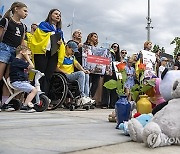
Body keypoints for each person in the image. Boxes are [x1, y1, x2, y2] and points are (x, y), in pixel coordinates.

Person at [0, 2, 28, 110]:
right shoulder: (6, 21)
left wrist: (24, 54)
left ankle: (4, 103)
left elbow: (22, 42)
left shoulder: (23, 27)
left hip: (15, 52)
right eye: (25, 11)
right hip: (4, 48)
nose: (26, 13)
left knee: (8, 79)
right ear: (16, 9)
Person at [30, 9, 64, 96]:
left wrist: (61, 43)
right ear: (50, 15)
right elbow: (38, 37)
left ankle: (44, 97)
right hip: (42, 52)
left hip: (53, 54)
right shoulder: (43, 25)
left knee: (48, 76)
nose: (58, 16)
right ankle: (34, 97)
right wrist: (51, 35)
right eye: (56, 14)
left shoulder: (59, 30)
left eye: (59, 15)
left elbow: (62, 43)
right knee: (39, 74)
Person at [9, 45, 37, 112]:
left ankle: (25, 103)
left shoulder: (19, 62)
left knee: (32, 88)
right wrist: (27, 58)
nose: (29, 56)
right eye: (28, 54)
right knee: (34, 90)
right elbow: (32, 66)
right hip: (18, 82)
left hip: (20, 81)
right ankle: (25, 106)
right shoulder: (18, 61)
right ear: (22, 53)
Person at [101, 43, 120, 109]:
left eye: (117, 47)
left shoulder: (118, 57)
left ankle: (113, 104)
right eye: (114, 46)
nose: (115, 48)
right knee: (106, 88)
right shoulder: (108, 53)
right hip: (108, 72)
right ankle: (105, 104)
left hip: (115, 73)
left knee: (114, 89)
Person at [83, 32, 100, 100]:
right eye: (94, 36)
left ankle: (91, 97)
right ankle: (85, 97)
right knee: (87, 82)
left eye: (96, 37)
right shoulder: (84, 46)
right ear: (90, 37)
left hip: (96, 68)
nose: (96, 38)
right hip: (87, 67)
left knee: (95, 84)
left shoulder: (97, 49)